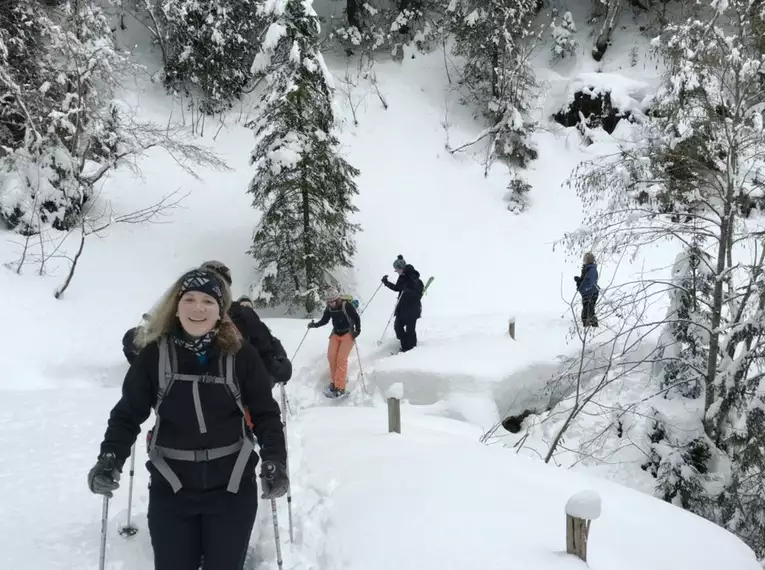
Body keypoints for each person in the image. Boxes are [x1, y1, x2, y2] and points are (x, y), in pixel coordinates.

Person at [87, 268, 289, 570]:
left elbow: (266, 414)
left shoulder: (240, 355)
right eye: (190, 299)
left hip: (232, 490)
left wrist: (275, 460)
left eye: (208, 301)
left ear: (220, 309)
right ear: (176, 306)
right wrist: (110, 457)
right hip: (172, 489)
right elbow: (128, 414)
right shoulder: (154, 355)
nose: (198, 308)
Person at [199, 261, 292, 387]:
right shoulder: (179, 317)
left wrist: (277, 363)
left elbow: (266, 345)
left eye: (218, 284)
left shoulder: (243, 315)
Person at [307, 287, 361, 398]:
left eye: (332, 301)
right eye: (329, 301)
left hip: (348, 333)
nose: (331, 303)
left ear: (337, 299)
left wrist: (357, 330)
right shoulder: (329, 308)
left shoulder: (346, 306)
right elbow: (324, 320)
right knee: (331, 357)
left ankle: (340, 388)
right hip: (336, 333)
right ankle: (334, 382)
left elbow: (356, 318)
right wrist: (314, 325)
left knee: (341, 359)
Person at [382, 254, 424, 352]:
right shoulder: (402, 277)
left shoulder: (413, 277)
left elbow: (417, 292)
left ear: (402, 268)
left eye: (397, 269)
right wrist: (386, 282)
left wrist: (408, 289)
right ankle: (407, 346)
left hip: (412, 308)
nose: (396, 271)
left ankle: (409, 349)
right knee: (398, 328)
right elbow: (397, 288)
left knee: (410, 330)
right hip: (402, 308)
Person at [574, 252, 599, 327]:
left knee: (588, 311)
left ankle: (590, 328)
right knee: (587, 310)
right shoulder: (587, 268)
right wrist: (579, 280)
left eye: (585, 259)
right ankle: (587, 326)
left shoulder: (591, 269)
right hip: (586, 293)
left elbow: (591, 282)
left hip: (591, 293)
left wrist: (582, 286)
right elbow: (585, 280)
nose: (584, 261)